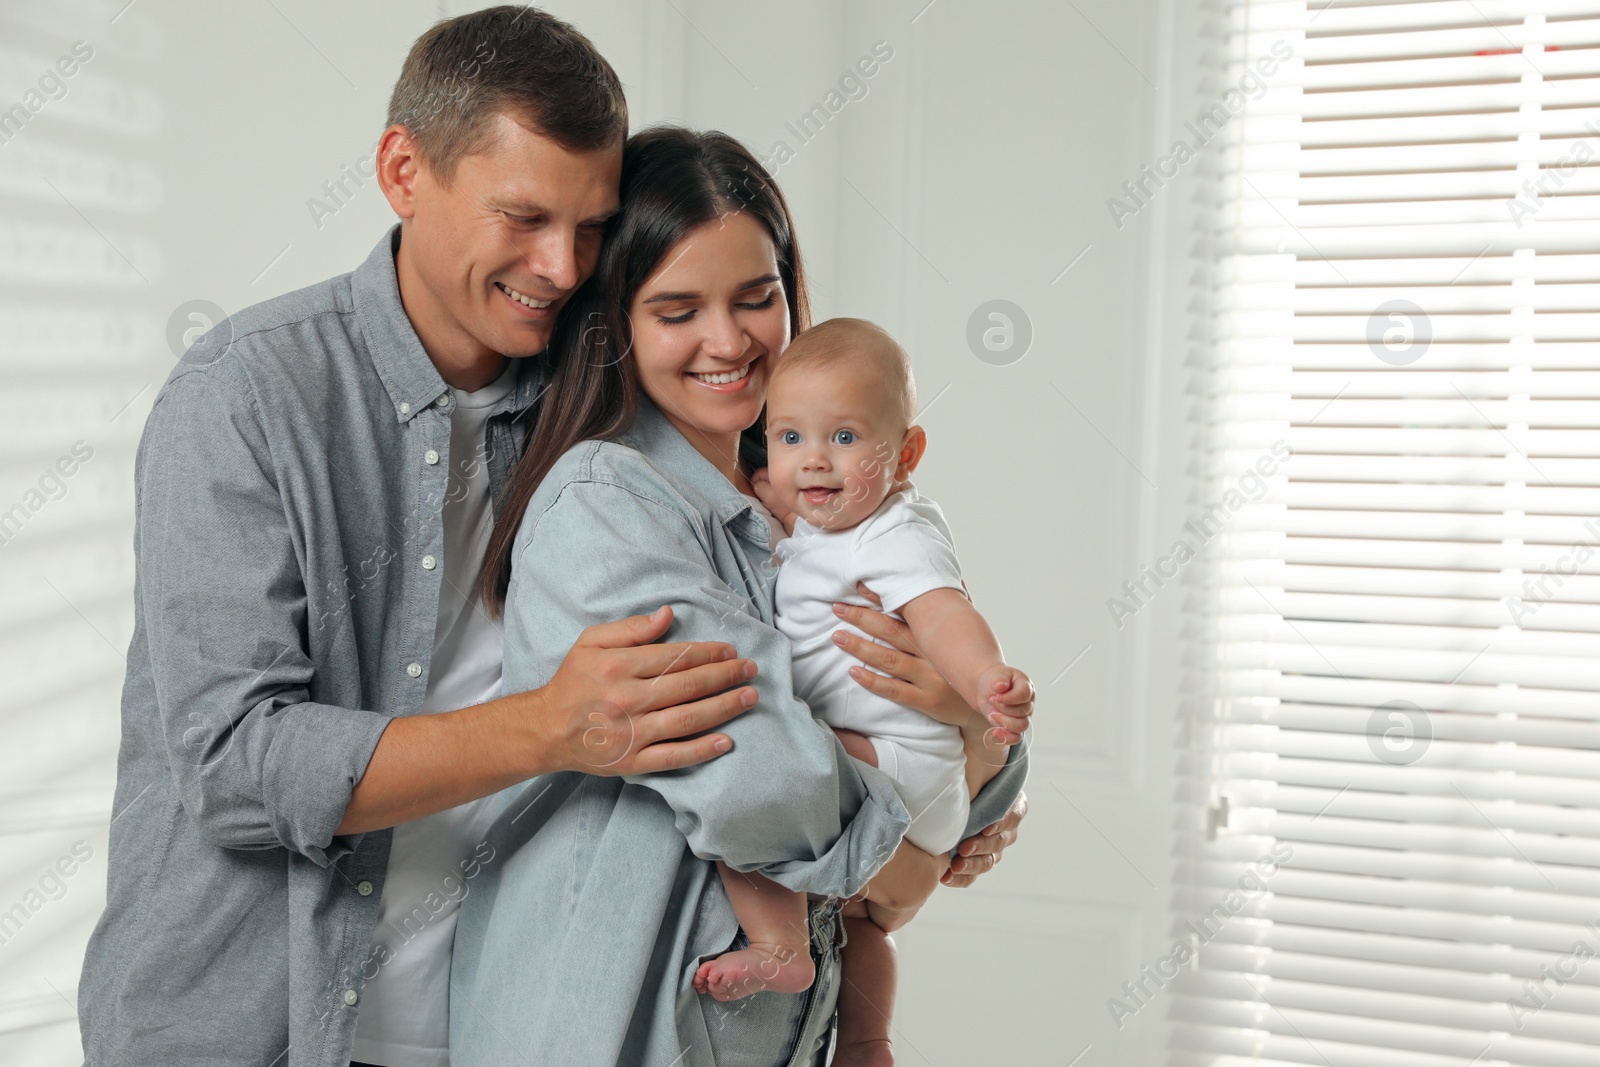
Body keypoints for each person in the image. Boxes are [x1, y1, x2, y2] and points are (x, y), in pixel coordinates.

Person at [77, 9, 1026, 1067]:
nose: (560, 263)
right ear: (403, 169)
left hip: (473, 1013)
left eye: (588, 227)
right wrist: (548, 727)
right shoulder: (251, 397)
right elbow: (233, 761)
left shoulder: (607, 403)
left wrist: (973, 740)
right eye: (524, 217)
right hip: (255, 1019)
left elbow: (815, 662)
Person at [450, 126, 1031, 1067]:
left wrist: (970, 723)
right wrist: (914, 850)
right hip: (611, 1023)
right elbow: (753, 769)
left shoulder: (819, 496)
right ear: (617, 323)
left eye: (757, 298)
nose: (729, 340)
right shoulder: (607, 502)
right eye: (677, 310)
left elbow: (982, 742)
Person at [688, 317, 1036, 1067]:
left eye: (844, 438)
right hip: (923, 785)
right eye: (790, 439)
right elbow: (800, 525)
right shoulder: (834, 527)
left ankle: (779, 941)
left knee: (748, 779)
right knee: (866, 924)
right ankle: (868, 1041)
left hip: (895, 757)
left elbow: (945, 614)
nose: (813, 462)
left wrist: (984, 682)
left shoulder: (896, 535)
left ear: (906, 453)